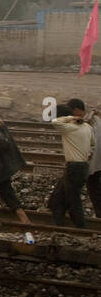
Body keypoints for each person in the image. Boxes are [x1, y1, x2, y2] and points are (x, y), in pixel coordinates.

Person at [47, 98, 94, 228]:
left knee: (73, 199)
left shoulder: (68, 128)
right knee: (57, 198)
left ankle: (80, 227)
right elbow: (92, 143)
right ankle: (59, 225)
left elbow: (55, 121)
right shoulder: (87, 127)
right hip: (82, 166)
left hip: (74, 167)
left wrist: (70, 118)